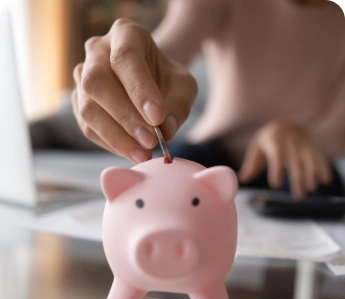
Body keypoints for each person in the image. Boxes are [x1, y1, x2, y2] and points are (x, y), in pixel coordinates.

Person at [70, 0, 345, 199]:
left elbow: (338, 131)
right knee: (175, 173)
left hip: (296, 162)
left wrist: (302, 136)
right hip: (214, 150)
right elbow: (169, 49)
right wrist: (131, 65)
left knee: (318, 187)